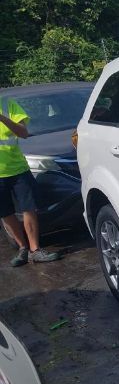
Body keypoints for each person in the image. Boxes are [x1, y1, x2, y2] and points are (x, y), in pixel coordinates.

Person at [0, 95, 60, 266]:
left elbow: (23, 133)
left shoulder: (7, 104)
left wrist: (3, 118)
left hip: (18, 169)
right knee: (5, 213)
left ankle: (35, 250)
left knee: (29, 208)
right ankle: (22, 249)